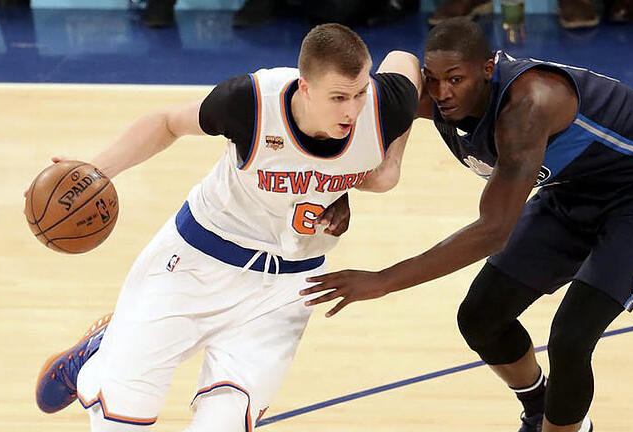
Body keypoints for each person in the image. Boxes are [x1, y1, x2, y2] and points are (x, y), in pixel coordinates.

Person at [301, 17, 633, 432]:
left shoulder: (529, 106)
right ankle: (538, 411)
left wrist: (383, 280)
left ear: (487, 68)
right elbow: (362, 119)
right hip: (575, 191)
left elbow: (493, 231)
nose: (442, 93)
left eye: (456, 79)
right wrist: (342, 186)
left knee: (571, 337)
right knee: (481, 317)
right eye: (433, 78)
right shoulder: (438, 98)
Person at [33, 23, 421, 432]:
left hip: (286, 286)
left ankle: (116, 344)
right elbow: (168, 123)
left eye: (359, 93)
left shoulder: (381, 107)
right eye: (339, 97)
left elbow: (405, 61)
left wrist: (387, 166)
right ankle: (98, 354)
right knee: (121, 422)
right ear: (304, 87)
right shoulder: (251, 102)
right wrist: (98, 171)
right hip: (197, 260)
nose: (352, 110)